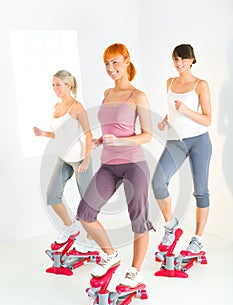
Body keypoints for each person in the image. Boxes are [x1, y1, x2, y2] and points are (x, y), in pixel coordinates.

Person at [76, 43, 153, 288]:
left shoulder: (138, 96)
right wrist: (100, 140)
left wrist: (120, 140)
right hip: (108, 165)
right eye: (107, 63)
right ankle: (111, 255)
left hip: (134, 165)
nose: (111, 68)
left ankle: (135, 272)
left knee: (138, 221)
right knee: (85, 214)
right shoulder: (107, 94)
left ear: (127, 61)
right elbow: (110, 127)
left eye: (115, 62)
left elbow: (148, 135)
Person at [152, 44, 212, 253]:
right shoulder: (169, 82)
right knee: (158, 182)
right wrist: (166, 121)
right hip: (175, 141)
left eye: (182, 59)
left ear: (191, 60)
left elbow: (207, 119)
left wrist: (185, 110)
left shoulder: (200, 85)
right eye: (175, 59)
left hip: (199, 141)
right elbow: (172, 111)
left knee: (201, 192)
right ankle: (171, 227)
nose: (178, 63)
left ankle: (197, 239)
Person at [33, 70, 97, 252]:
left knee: (87, 201)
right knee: (52, 196)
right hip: (64, 158)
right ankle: (71, 228)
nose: (55, 89)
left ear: (68, 85)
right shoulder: (56, 107)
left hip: (79, 158)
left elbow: (88, 134)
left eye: (58, 85)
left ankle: (92, 239)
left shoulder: (77, 107)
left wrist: (86, 161)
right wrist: (44, 133)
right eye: (53, 85)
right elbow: (61, 133)